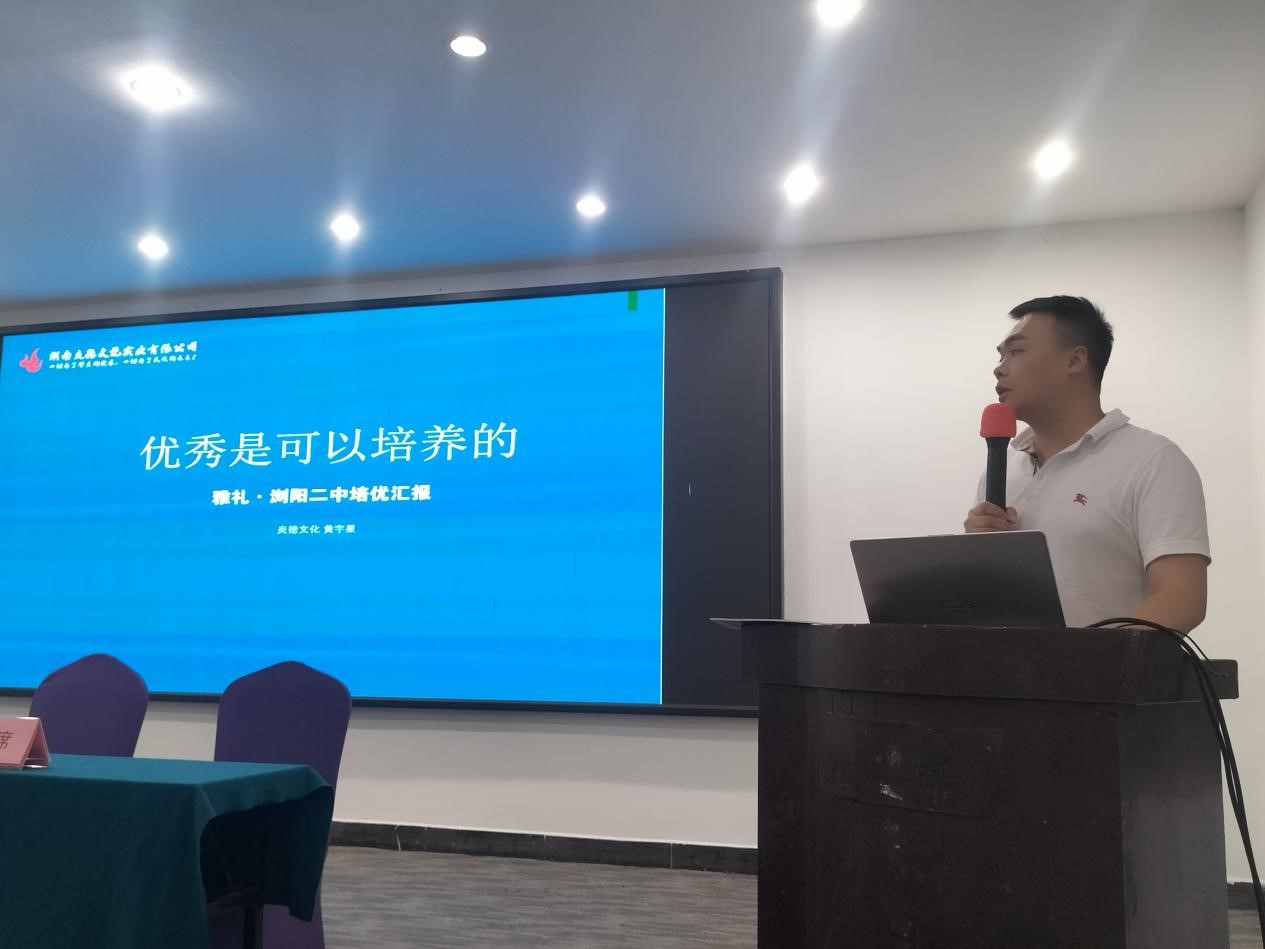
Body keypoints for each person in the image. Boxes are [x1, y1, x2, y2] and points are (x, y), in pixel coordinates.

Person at [964, 295, 1209, 632]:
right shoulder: (1001, 470)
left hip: (1106, 666)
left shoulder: (1152, 460)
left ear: (1075, 360)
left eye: (1016, 352)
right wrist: (974, 555)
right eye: (1000, 355)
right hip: (1003, 665)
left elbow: (1182, 599)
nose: (1000, 367)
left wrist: (1090, 659)